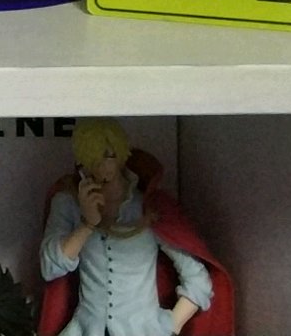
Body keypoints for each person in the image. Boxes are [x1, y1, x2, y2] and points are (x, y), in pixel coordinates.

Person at [37, 120, 233, 336]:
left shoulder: (149, 206)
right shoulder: (68, 202)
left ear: (122, 155)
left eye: (109, 156)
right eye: (91, 158)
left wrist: (170, 325)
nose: (101, 166)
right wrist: (87, 224)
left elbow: (198, 280)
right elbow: (50, 267)